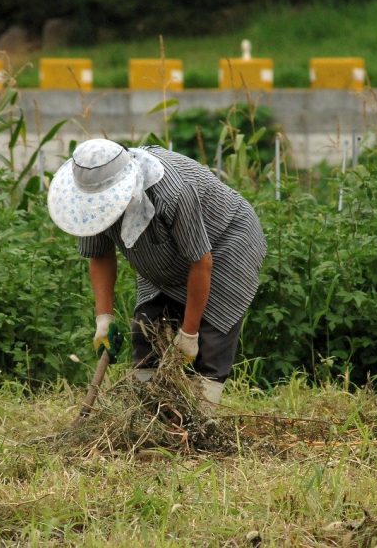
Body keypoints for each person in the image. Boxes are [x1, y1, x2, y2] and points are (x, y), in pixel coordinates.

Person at [47, 138, 266, 408]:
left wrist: (189, 334)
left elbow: (200, 262)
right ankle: (149, 418)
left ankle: (200, 423)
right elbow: (100, 255)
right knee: (147, 330)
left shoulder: (172, 192)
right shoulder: (90, 202)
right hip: (163, 253)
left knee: (210, 341)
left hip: (225, 242)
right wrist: (103, 319)